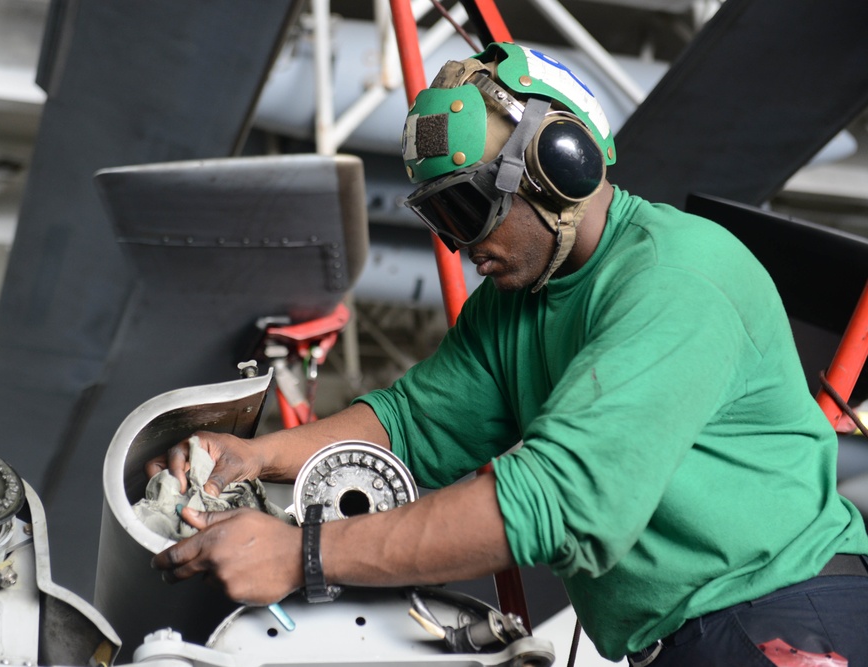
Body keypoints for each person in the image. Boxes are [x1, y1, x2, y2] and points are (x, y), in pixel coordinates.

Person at [149, 42, 868, 665]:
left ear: (560, 166)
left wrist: (301, 553)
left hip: (790, 617)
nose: (462, 249)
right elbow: (414, 421)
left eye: (468, 210)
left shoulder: (676, 278)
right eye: (441, 219)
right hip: (696, 638)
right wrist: (261, 454)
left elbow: (554, 499)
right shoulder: (518, 303)